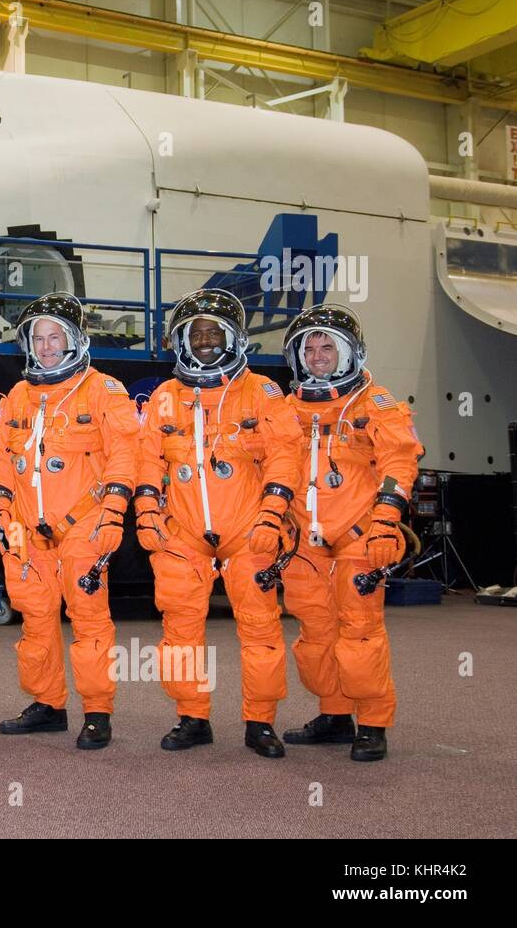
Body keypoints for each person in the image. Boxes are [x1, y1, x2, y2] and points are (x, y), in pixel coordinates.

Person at [135, 288, 302, 758]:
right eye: (196, 333)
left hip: (249, 529)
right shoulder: (165, 397)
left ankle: (260, 721)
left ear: (233, 337)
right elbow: (146, 460)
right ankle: (192, 717)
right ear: (182, 341)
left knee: (261, 629)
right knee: (180, 627)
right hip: (184, 531)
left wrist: (272, 514)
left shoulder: (261, 391)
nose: (205, 340)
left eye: (214, 332)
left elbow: (284, 457)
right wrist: (147, 510)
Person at [0, 292, 139, 749]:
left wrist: (113, 513)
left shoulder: (103, 389)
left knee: (89, 620)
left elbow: (124, 455)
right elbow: (1, 461)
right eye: (40, 338)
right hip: (26, 527)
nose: (48, 346)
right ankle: (48, 704)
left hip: (84, 524)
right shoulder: (19, 395)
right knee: (35, 619)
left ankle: (97, 711)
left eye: (56, 337)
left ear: (75, 339)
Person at [278, 303, 421, 762]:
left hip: (359, 534)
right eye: (310, 347)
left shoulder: (374, 403)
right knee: (316, 634)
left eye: (327, 346)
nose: (318, 355)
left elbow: (400, 462)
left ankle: (374, 723)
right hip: (304, 540)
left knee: (360, 632)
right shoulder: (286, 409)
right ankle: (336, 715)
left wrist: (385, 520)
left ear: (348, 352)